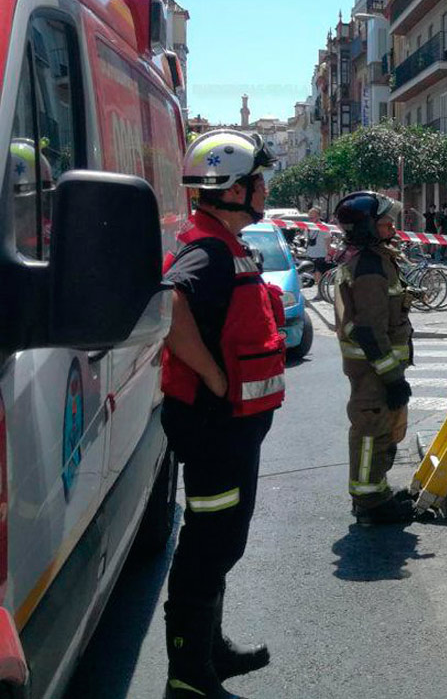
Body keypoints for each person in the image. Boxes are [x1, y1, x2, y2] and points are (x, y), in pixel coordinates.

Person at [159, 129, 285, 699]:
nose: (263, 189)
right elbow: (172, 302)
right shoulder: (207, 249)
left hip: (232, 428)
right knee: (209, 542)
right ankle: (188, 674)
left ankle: (211, 650)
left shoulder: (225, 242)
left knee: (224, 538)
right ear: (231, 189)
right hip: (214, 428)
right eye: (256, 181)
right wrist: (212, 376)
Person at [333, 190, 417, 525]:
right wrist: (393, 377)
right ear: (368, 226)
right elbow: (369, 330)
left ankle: (377, 491)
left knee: (382, 432)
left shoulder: (374, 258)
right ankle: (370, 503)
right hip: (374, 372)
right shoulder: (369, 267)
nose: (391, 225)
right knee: (371, 433)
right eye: (384, 221)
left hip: (375, 370)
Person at [303, 205, 332, 287]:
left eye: (313, 217)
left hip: (321, 254)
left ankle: (320, 292)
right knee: (314, 274)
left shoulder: (324, 227)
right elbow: (306, 239)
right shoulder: (308, 226)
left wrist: (329, 253)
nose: (311, 219)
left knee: (318, 273)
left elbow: (328, 240)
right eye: (310, 217)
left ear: (319, 216)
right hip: (310, 253)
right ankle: (319, 290)